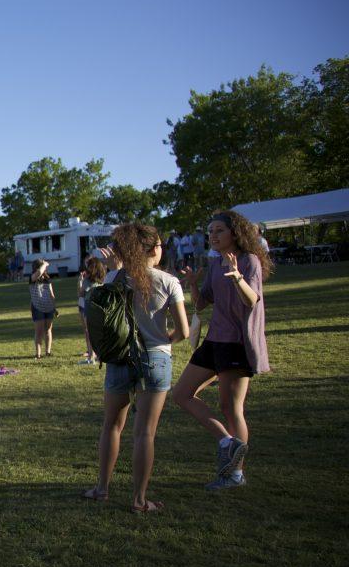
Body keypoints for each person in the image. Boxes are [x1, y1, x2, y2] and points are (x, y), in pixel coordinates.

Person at [82, 224, 188, 512]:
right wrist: (167, 339)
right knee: (145, 434)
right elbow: (183, 331)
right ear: (154, 249)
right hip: (156, 357)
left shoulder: (115, 278)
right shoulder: (168, 281)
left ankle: (102, 488)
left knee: (111, 426)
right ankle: (140, 500)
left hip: (120, 358)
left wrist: (114, 270)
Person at [174, 210, 271, 491]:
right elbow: (202, 303)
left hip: (237, 343)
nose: (213, 236)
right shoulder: (215, 263)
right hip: (214, 341)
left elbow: (252, 300)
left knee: (231, 408)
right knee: (180, 394)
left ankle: (235, 474)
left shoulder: (249, 261)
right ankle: (227, 442)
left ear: (234, 234)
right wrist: (193, 282)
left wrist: (238, 276)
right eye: (210, 232)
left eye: (218, 230)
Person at [77, 256, 107, 365]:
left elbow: (81, 294)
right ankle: (100, 356)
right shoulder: (103, 279)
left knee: (89, 333)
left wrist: (80, 282)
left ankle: (91, 357)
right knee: (100, 333)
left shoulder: (87, 280)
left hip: (89, 308)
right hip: (100, 307)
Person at [28, 260, 56, 358]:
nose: (45, 269)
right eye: (43, 267)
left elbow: (52, 294)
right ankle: (38, 354)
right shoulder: (32, 278)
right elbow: (39, 273)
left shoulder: (47, 279)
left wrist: (54, 307)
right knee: (39, 331)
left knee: (48, 330)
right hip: (37, 307)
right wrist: (45, 263)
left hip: (49, 307)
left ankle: (48, 352)